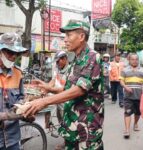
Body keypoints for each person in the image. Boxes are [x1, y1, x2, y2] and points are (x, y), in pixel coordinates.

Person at [24, 19, 104, 150]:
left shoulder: (93, 57)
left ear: (81, 36)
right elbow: (67, 89)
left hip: (87, 130)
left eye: (69, 35)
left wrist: (44, 102)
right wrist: (48, 87)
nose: (65, 39)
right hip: (72, 128)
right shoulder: (75, 61)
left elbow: (79, 90)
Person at [0, 32, 28, 150]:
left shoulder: (18, 73)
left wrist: (25, 111)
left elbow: (22, 98)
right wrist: (4, 116)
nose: (13, 57)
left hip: (13, 139)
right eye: (10, 52)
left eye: (17, 53)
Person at [120, 53, 143, 138]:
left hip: (140, 97)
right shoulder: (124, 70)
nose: (134, 61)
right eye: (132, 59)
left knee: (138, 113)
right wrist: (125, 87)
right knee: (128, 112)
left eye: (136, 59)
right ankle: (127, 130)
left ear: (138, 60)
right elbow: (121, 81)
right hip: (128, 96)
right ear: (129, 60)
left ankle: (135, 123)